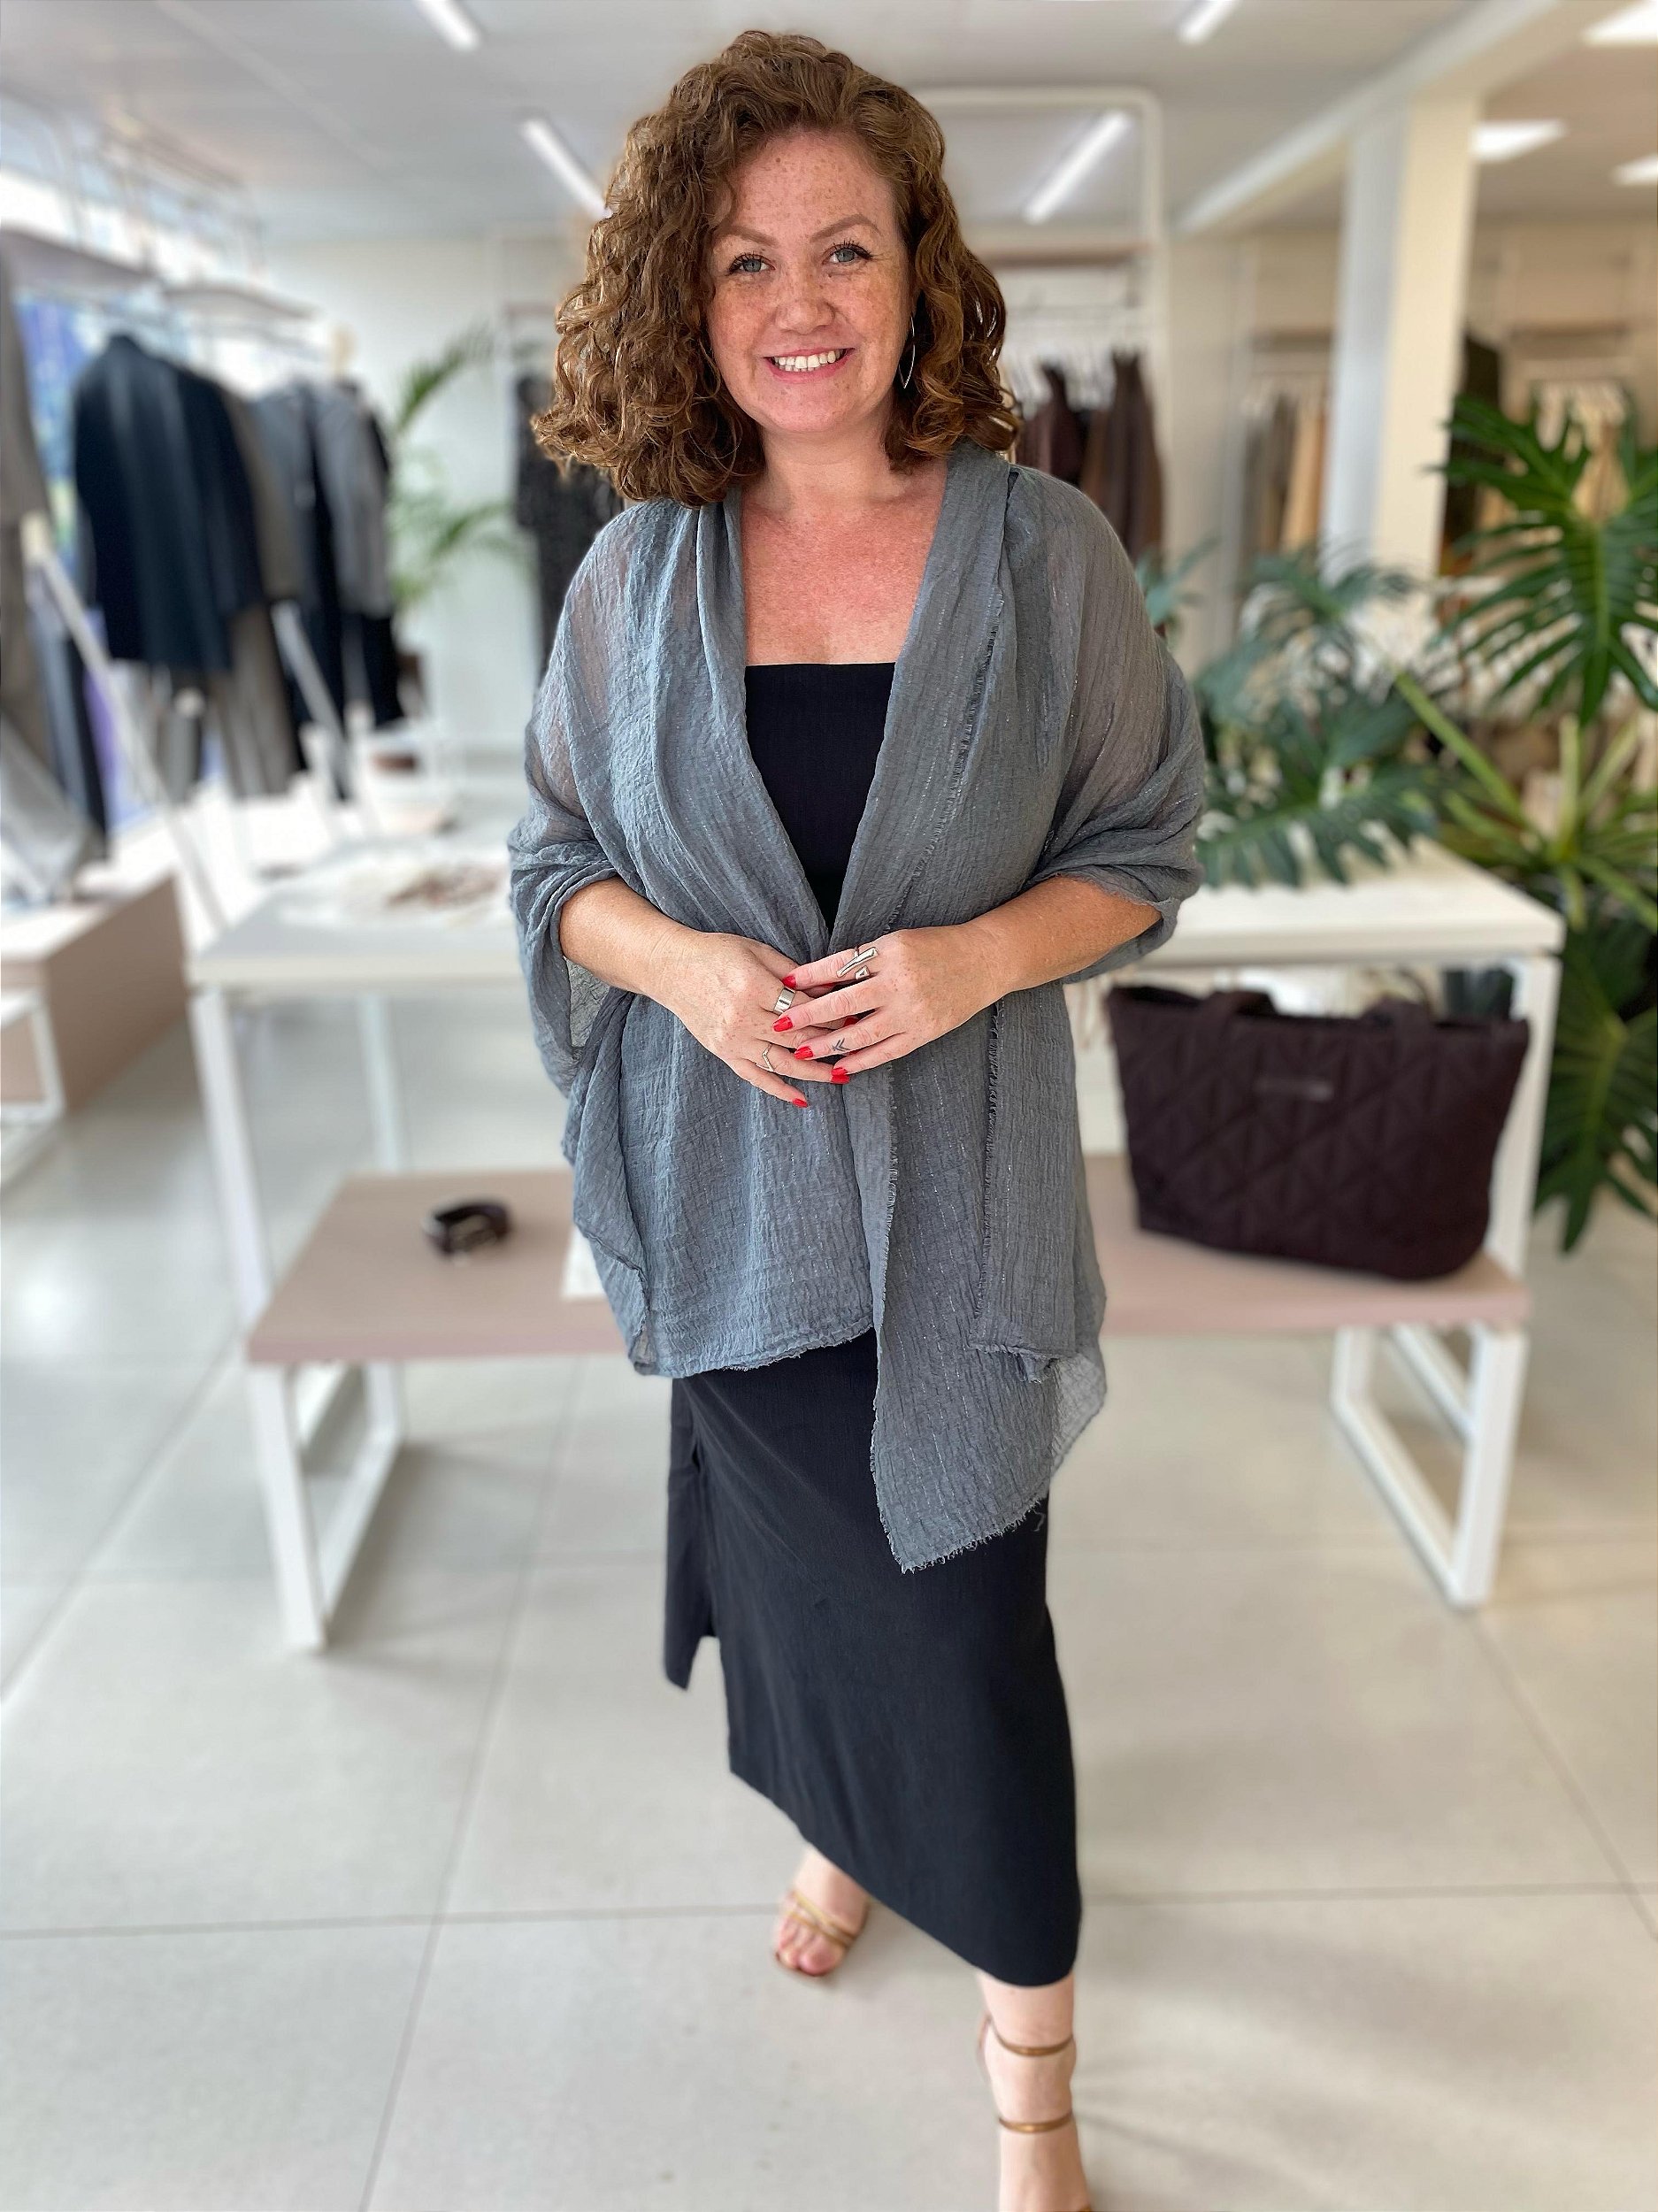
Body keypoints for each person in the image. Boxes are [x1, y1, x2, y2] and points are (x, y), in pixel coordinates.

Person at [507, 32, 1207, 2211]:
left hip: (956, 1230)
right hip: (733, 1225)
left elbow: (1148, 843)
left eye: (843, 249)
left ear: (919, 276)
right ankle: (837, 1831)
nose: (796, 300)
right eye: (743, 260)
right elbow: (551, 865)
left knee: (973, 1651)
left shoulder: (1043, 552)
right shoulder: (635, 575)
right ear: (685, 298)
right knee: (804, 1601)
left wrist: (979, 953)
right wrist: (683, 967)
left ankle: (1033, 2092)